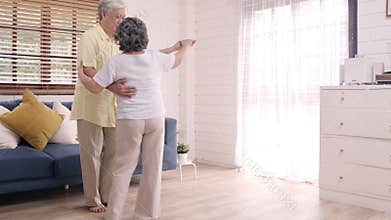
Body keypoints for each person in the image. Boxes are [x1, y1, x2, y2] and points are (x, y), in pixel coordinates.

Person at [77, 17, 195, 220]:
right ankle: (146, 215)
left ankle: (113, 214)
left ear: (120, 39)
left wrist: (82, 74)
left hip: (130, 120)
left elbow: (95, 87)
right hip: (156, 118)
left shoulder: (116, 62)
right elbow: (177, 59)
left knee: (123, 168)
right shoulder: (154, 58)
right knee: (152, 168)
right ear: (145, 37)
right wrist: (184, 46)